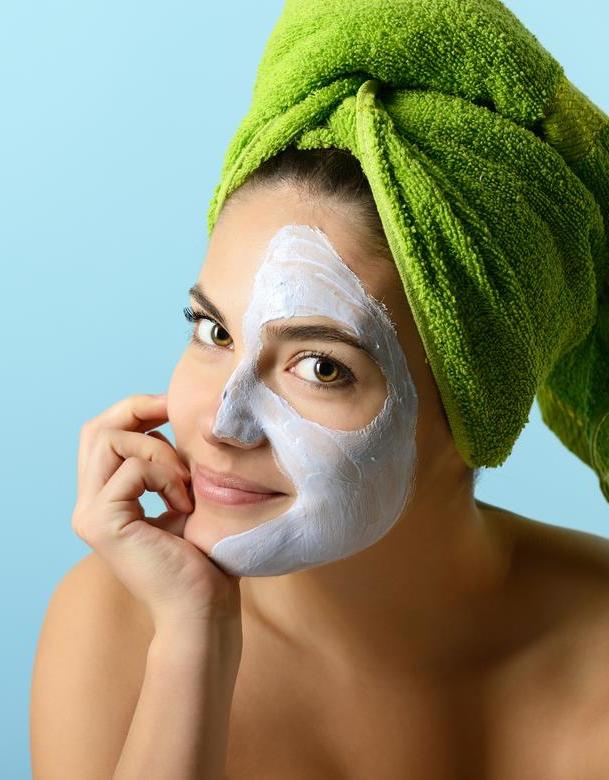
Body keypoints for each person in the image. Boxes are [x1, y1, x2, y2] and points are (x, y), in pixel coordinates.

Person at [31, 147, 609, 779]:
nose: (221, 424)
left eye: (322, 367)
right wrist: (194, 637)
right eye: (214, 332)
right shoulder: (109, 628)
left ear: (481, 411)